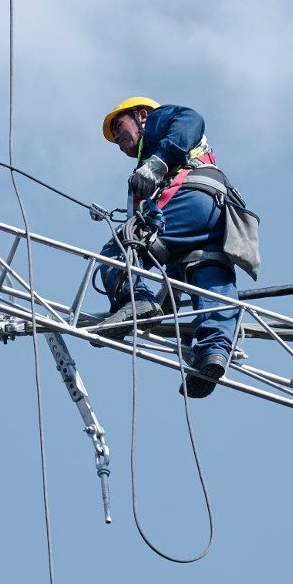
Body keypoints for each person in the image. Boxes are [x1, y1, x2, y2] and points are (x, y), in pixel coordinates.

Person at [92, 97, 254, 398]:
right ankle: (213, 354)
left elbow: (191, 119)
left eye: (119, 125)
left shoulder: (158, 125)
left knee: (119, 249)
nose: (116, 138)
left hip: (188, 198)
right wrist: (167, 297)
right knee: (208, 276)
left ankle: (135, 300)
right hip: (214, 212)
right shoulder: (148, 170)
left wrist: (158, 160)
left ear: (141, 115)